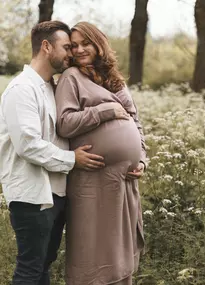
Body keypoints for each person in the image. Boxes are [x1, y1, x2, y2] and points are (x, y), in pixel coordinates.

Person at [0, 21, 105, 285]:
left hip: (56, 193)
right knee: (30, 270)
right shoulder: (22, 89)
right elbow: (28, 145)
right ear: (46, 46)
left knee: (44, 266)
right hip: (32, 196)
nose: (71, 53)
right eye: (66, 47)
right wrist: (73, 159)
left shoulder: (51, 87)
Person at [55, 21, 147, 285]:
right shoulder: (71, 77)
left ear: (99, 44)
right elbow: (65, 122)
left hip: (124, 180)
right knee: (92, 248)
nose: (80, 49)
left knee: (120, 248)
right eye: (74, 45)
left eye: (86, 43)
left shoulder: (115, 80)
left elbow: (136, 123)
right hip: (92, 179)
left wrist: (141, 159)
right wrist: (105, 111)